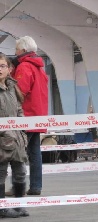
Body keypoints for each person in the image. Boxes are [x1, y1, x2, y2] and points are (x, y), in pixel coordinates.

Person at [6, 36, 48, 197]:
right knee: (35, 153)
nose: (15, 53)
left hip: (26, 116)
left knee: (18, 153)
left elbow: (19, 92)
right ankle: (36, 186)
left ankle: (18, 187)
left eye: (16, 49)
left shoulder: (24, 67)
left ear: (23, 51)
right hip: (38, 116)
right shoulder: (39, 67)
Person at [0, 53, 28, 218]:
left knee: (20, 172)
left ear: (9, 69)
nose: (0, 69)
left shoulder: (12, 87)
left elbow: (19, 109)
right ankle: (2, 208)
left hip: (17, 138)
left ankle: (20, 205)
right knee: (1, 173)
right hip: (1, 138)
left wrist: (23, 128)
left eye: (3, 66)